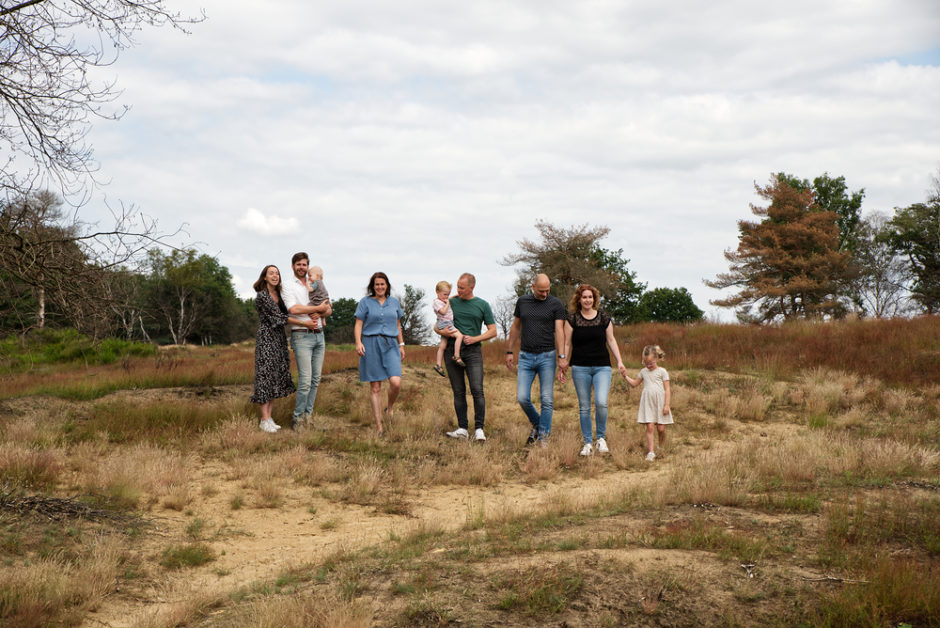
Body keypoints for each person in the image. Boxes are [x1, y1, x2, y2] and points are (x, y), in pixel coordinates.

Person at [558, 284, 628, 456]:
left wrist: (619, 361)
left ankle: (601, 439)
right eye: (584, 297)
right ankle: (588, 442)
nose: (587, 300)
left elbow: (611, 340)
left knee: (601, 402)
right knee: (584, 407)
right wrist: (563, 362)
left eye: (590, 297)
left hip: (602, 366)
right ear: (579, 299)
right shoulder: (572, 319)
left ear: (594, 299)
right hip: (580, 367)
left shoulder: (604, 318)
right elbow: (567, 343)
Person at [249, 265, 316, 433]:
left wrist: (312, 310)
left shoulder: (279, 294)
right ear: (264, 277)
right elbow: (281, 317)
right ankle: (264, 419)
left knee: (274, 378)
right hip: (267, 339)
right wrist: (304, 322)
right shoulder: (262, 296)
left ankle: (269, 418)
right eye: (271, 273)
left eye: (277, 273)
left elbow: (292, 310)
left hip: (279, 339)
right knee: (265, 377)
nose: (275, 275)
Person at [505, 273, 565, 445]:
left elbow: (559, 331)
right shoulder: (523, 301)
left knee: (547, 399)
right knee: (522, 397)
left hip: (547, 356)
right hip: (525, 356)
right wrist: (510, 351)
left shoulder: (556, 304)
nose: (545, 294)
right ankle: (539, 425)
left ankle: (543, 436)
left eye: (547, 291)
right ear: (533, 287)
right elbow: (516, 327)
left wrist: (562, 356)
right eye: (541, 291)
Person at [440, 273, 496, 441]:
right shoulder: (450, 303)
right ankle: (462, 428)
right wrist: (443, 332)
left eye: (461, 288)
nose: (458, 290)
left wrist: (475, 339)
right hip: (452, 351)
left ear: (472, 287)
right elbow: (437, 325)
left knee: (477, 390)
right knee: (458, 391)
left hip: (473, 352)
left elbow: (493, 331)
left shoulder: (482, 305)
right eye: (457, 287)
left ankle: (479, 430)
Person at [282, 252, 332, 431]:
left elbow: (328, 308)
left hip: (319, 335)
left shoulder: (316, 282)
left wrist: (321, 312)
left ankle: (308, 418)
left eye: (304, 264)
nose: (301, 267)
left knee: (316, 379)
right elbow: (293, 309)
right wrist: (318, 308)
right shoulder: (288, 285)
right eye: (298, 264)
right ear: (293, 266)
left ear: (308, 266)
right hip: (301, 335)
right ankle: (297, 420)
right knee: (305, 380)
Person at [354, 272, 405, 437]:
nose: (380, 287)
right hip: (371, 344)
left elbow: (398, 325)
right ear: (373, 286)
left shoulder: (394, 302)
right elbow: (358, 324)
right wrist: (358, 342)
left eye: (382, 284)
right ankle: (379, 427)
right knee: (375, 387)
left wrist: (402, 344)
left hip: (391, 344)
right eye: (377, 284)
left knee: (395, 382)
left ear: (387, 286)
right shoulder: (365, 302)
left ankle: (389, 407)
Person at [623, 344, 673, 461]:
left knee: (661, 429)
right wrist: (625, 376)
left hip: (660, 403)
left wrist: (666, 405)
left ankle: (660, 446)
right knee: (650, 427)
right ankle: (651, 452)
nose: (648, 365)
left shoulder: (662, 371)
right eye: (646, 363)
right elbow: (634, 384)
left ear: (656, 359)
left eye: (651, 363)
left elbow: (667, 389)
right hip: (648, 403)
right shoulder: (643, 372)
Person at [432, 280, 464, 377]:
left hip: (446, 323)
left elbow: (448, 298)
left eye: (448, 294)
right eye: (445, 294)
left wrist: (454, 296)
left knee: (443, 346)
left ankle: (438, 365)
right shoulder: (437, 302)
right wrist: (447, 304)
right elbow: (443, 312)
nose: (446, 297)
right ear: (437, 292)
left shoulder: (443, 299)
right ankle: (456, 355)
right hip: (445, 324)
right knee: (459, 336)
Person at [307, 265, 330, 330]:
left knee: (308, 307)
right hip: (325, 300)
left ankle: (314, 321)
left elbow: (310, 289)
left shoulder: (316, 282)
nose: (309, 278)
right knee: (322, 311)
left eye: (310, 276)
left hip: (318, 301)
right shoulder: (321, 282)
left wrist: (308, 284)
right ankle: (323, 320)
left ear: (317, 276)